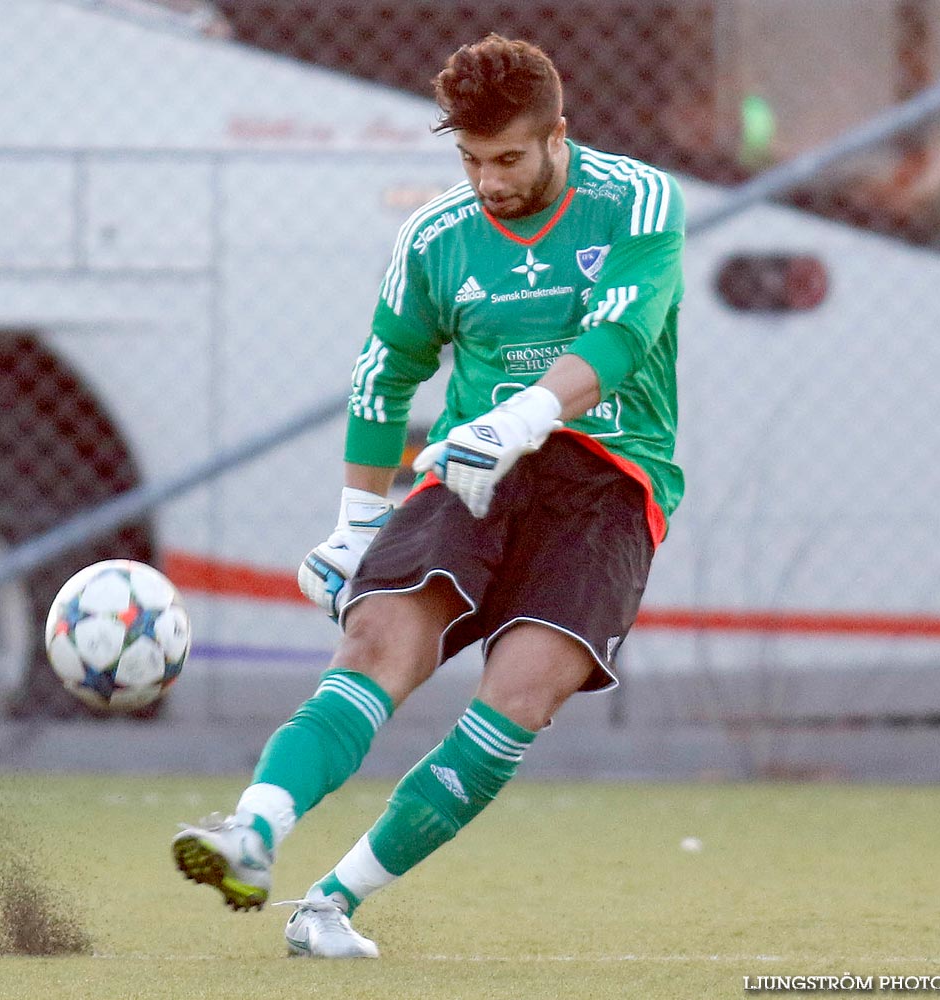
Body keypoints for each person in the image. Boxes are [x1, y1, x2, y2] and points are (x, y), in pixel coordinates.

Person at [172, 32, 685, 959]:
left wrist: (525, 415)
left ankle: (330, 905)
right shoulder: (434, 236)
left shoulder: (637, 199)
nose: (487, 181)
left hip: (608, 480)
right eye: (470, 159)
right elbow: (384, 377)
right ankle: (253, 832)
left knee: (521, 698)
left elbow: (623, 334)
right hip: (473, 471)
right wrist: (353, 525)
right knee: (375, 640)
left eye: (507, 159)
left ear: (556, 133)